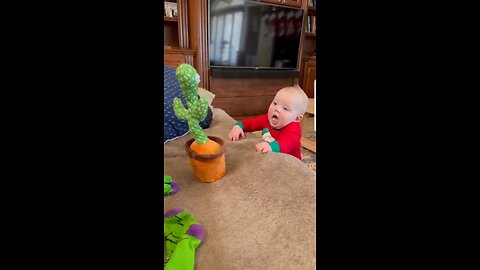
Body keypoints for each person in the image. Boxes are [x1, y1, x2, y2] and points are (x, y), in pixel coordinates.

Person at [228, 85, 308, 160]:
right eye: (275, 103)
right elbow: (252, 123)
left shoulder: (294, 131)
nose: (277, 109)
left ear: (297, 118)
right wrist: (239, 126)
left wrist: (271, 147)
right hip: (271, 157)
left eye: (285, 108)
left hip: (290, 163)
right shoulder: (267, 119)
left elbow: (286, 143)